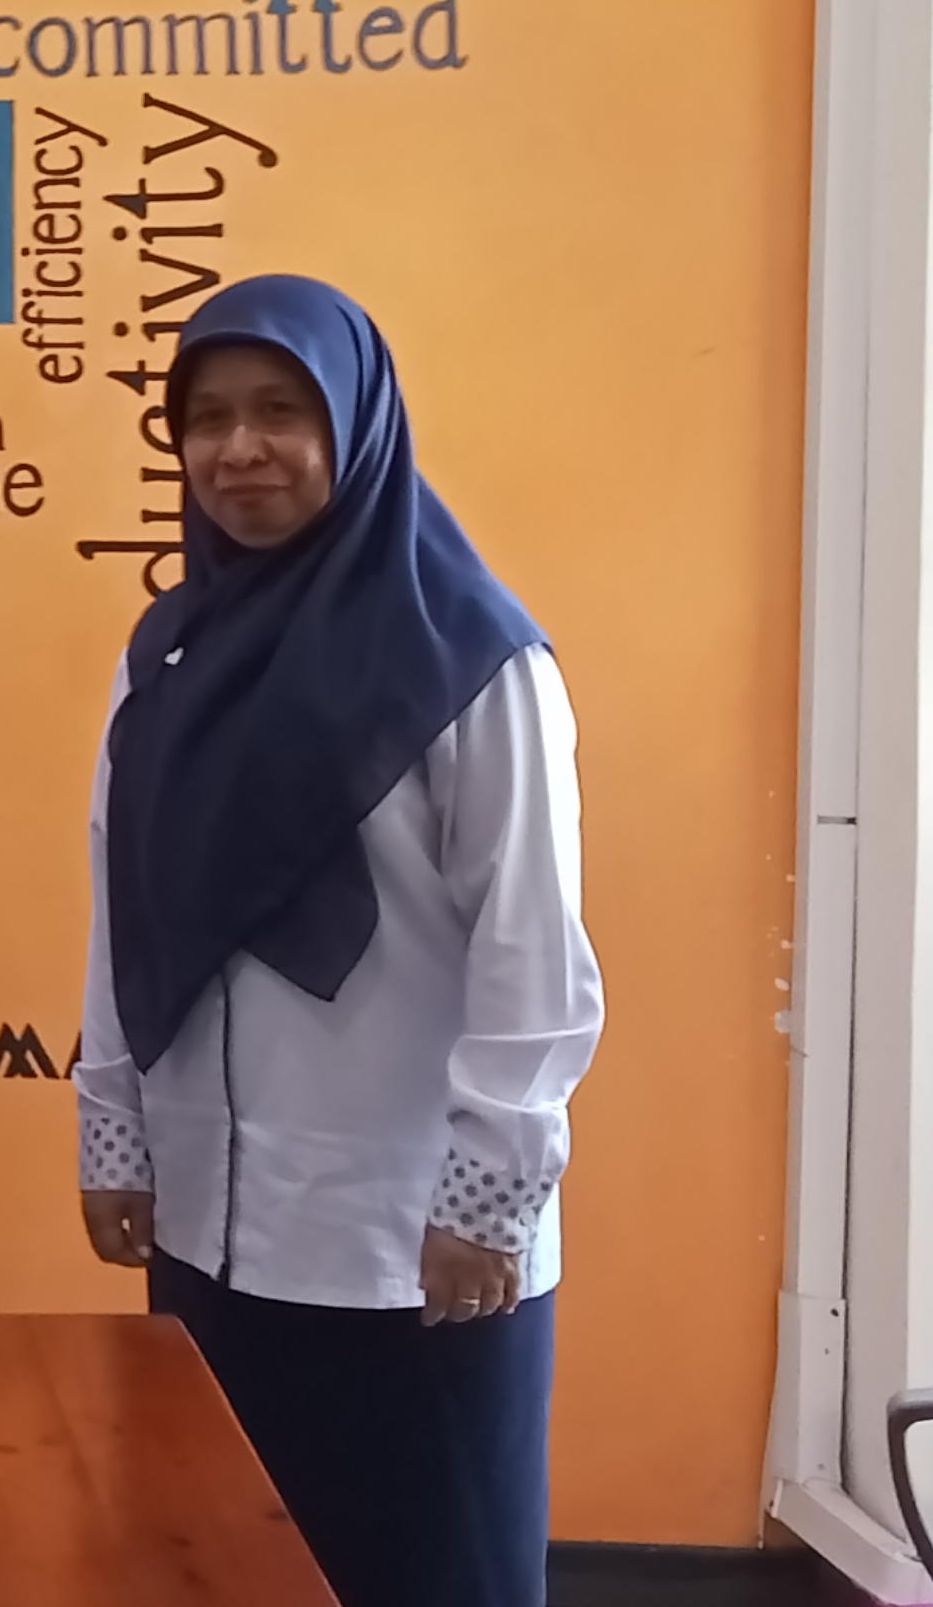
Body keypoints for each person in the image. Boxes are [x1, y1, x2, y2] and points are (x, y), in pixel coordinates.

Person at [72, 275, 604, 1607]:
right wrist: (116, 1129)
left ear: (356, 427)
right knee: (216, 1564)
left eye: (280, 412)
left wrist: (485, 1204)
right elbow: (121, 903)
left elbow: (531, 959)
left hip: (412, 1244)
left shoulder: (475, 663)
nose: (238, 450)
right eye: (206, 419)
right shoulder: (167, 655)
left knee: (430, 1572)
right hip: (212, 1229)